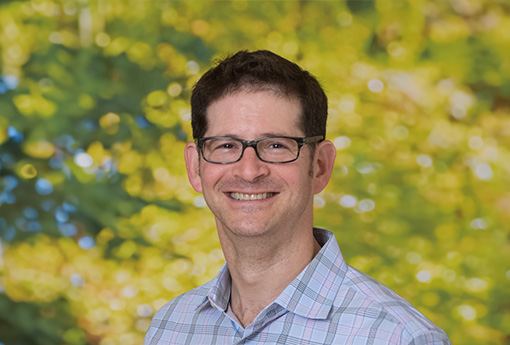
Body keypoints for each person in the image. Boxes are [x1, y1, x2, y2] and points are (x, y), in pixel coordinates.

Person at [144, 50, 451, 345]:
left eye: (277, 145)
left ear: (320, 166)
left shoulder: (399, 337)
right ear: (195, 167)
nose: (249, 171)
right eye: (225, 146)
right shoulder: (171, 327)